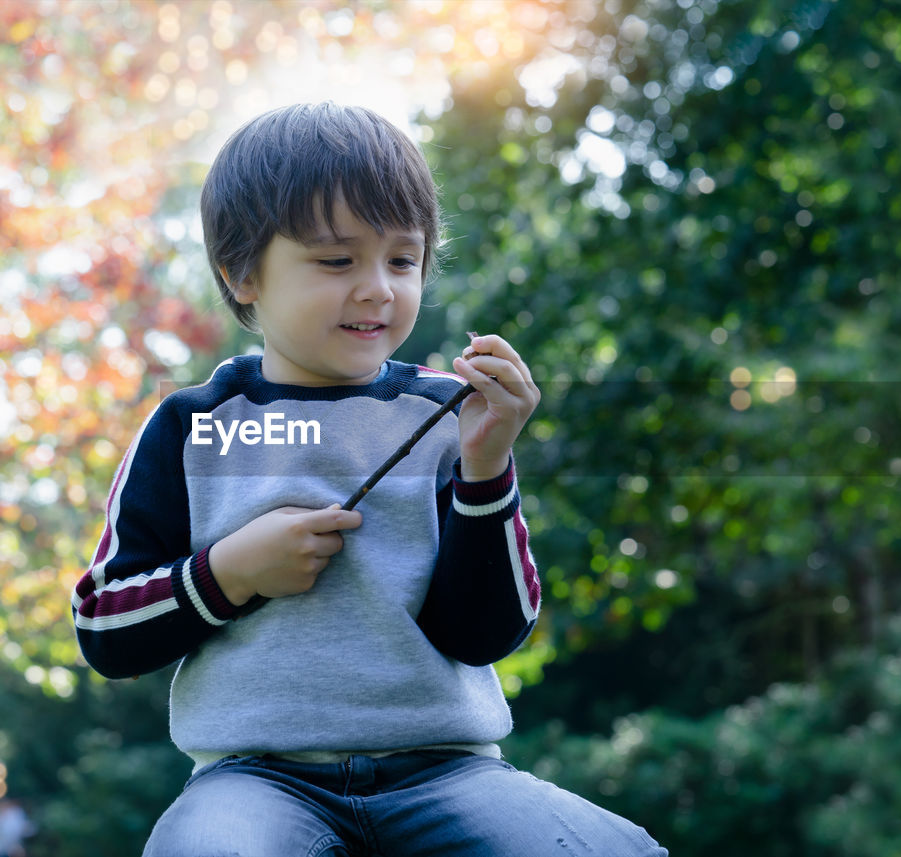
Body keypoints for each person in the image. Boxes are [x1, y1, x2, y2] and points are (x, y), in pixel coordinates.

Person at [71, 102, 667, 856]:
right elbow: (102, 629)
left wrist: (486, 466)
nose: (379, 287)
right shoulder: (194, 428)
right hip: (257, 782)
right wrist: (231, 571)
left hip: (449, 773)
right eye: (336, 260)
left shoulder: (443, 415)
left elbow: (487, 632)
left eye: (401, 259)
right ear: (242, 271)